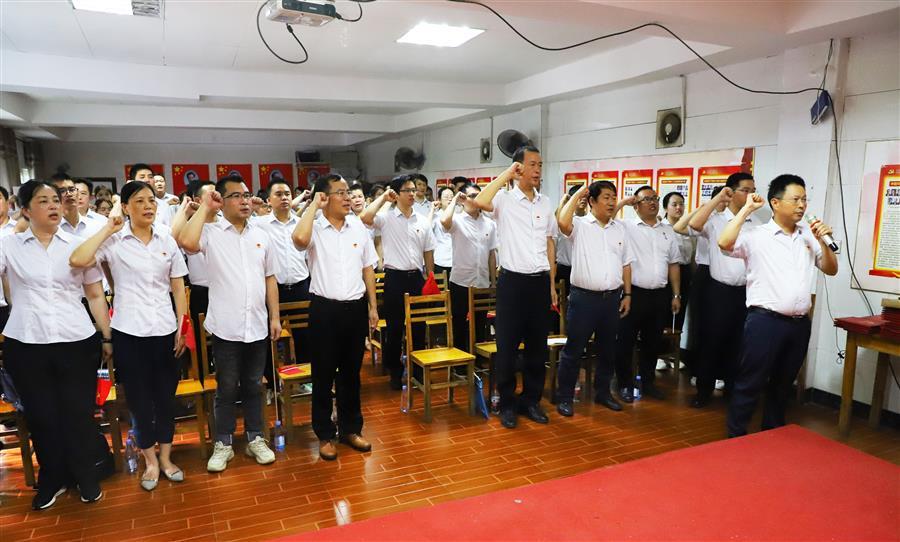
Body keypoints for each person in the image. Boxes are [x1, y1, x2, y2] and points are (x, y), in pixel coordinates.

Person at [69, 181, 188, 491]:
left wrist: (182, 328)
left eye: (151, 201)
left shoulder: (166, 239)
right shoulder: (114, 241)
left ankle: (166, 458)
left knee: (165, 399)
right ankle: (150, 461)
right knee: (139, 401)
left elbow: (178, 288)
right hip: (129, 333)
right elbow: (79, 259)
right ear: (124, 207)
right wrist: (108, 228)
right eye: (139, 201)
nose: (148, 206)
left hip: (166, 331)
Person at [1, 180, 112, 509]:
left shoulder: (77, 245)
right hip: (28, 342)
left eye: (55, 199)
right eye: (42, 200)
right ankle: (53, 479)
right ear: (25, 210)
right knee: (42, 416)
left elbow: (95, 294)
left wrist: (107, 336)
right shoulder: (9, 245)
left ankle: (85, 475)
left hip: (75, 340)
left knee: (78, 413)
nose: (53, 205)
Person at [176, 174, 280, 472]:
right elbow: (186, 241)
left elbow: (270, 278)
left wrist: (274, 316)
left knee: (254, 385)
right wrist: (206, 207)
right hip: (226, 326)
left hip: (257, 324)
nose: (244, 201)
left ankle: (255, 438)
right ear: (222, 201)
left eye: (246, 195)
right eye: (235, 196)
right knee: (226, 387)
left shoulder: (262, 233)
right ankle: (223, 443)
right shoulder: (211, 232)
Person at [719, 174, 836, 436]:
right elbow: (724, 242)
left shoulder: (809, 235)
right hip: (765, 322)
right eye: (795, 199)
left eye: (804, 199)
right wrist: (747, 210)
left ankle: (772, 433)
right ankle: (735, 436)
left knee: (783, 385)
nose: (802, 205)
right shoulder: (756, 235)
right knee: (750, 382)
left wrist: (824, 242)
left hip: (799, 324)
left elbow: (831, 269)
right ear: (775, 202)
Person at [292, 175, 379, 460]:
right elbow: (299, 240)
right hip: (324, 311)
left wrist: (373, 307)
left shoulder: (358, 228)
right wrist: (313, 207)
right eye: (340, 193)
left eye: (348, 192)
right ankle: (325, 434)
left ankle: (351, 429)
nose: (347, 197)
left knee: (351, 374)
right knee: (323, 374)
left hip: (355, 309)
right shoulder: (314, 227)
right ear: (324, 197)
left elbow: (368, 268)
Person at [473, 146, 557, 429]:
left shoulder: (545, 203)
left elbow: (549, 243)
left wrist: (552, 284)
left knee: (537, 348)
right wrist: (506, 174)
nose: (538, 170)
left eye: (540, 164)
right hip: (512, 283)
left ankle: (531, 401)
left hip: (540, 282)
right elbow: (479, 201)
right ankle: (507, 403)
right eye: (532, 164)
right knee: (507, 347)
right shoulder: (504, 200)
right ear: (519, 167)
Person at [555, 180, 633, 416]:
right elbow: (562, 222)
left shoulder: (619, 229)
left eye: (613, 197)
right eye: (606, 197)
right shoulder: (580, 225)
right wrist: (578, 193)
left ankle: (603, 393)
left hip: (612, 299)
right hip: (584, 299)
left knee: (607, 349)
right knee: (574, 349)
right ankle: (565, 397)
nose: (611, 202)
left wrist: (627, 294)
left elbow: (626, 264)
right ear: (592, 201)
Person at [688, 173, 762, 407]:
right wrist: (718, 198)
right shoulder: (716, 220)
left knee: (739, 343)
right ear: (731, 191)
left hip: (745, 293)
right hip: (718, 291)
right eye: (745, 190)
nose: (750, 194)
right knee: (711, 341)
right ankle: (703, 391)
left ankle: (732, 389)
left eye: (753, 190)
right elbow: (693, 225)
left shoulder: (756, 223)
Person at [359, 175, 435, 390]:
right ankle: (395, 371)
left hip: (416, 278)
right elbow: (365, 217)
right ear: (396, 194)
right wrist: (383, 198)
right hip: (394, 279)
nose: (412, 194)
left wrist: (429, 277)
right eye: (407, 190)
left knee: (418, 326)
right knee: (394, 329)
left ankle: (418, 370)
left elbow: (428, 251)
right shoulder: (386, 218)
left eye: (413, 190)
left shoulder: (422, 220)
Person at [614, 186, 681, 402]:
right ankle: (624, 384)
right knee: (625, 342)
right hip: (633, 294)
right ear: (636, 205)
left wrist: (676, 295)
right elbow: (608, 217)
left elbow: (673, 264)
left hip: (660, 295)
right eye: (646, 199)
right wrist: (624, 202)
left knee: (652, 342)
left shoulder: (667, 230)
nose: (652, 202)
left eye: (655, 198)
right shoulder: (626, 226)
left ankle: (648, 382)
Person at [439, 183, 498, 354]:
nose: (476, 199)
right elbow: (444, 221)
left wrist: (493, 282)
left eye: (479, 196)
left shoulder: (489, 223)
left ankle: (478, 360)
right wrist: (455, 199)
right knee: (459, 324)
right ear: (463, 199)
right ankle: (460, 362)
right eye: (472, 196)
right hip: (461, 282)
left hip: (482, 282)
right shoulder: (457, 220)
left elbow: (491, 254)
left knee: (480, 324)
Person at [430, 186, 454, 279]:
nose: (450, 199)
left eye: (452, 196)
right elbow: (426, 229)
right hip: (440, 259)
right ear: (439, 200)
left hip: (457, 260)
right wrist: (432, 210)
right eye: (446, 196)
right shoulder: (436, 216)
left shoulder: (459, 215)